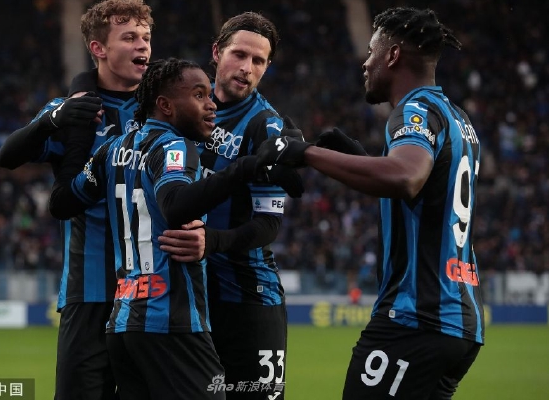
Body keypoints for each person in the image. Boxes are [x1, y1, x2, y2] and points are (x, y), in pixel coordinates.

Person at [256, 7, 484, 399]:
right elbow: (423, 194)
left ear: (392, 55)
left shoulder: (415, 110)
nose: (365, 63)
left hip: (415, 318)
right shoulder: (457, 118)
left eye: (371, 51)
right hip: (460, 322)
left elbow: (406, 177)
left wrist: (305, 153)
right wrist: (359, 157)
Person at [48, 57, 297, 400]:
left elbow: (62, 203)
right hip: (171, 320)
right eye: (199, 96)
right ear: (165, 105)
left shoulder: (112, 149)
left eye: (209, 94)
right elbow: (176, 205)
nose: (211, 105)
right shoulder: (174, 146)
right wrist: (248, 167)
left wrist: (75, 151)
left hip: (122, 321)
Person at [0, 1, 160, 398]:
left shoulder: (164, 109)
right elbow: (8, 156)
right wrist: (53, 119)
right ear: (98, 48)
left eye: (146, 37)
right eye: (129, 37)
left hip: (155, 292)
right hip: (89, 293)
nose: (142, 45)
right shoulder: (70, 111)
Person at [158, 12, 297, 399]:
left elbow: (269, 225)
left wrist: (212, 242)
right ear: (217, 52)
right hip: (188, 297)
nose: (247, 68)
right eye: (239, 54)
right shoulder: (182, 108)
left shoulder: (265, 127)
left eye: (259, 61)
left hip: (247, 297)